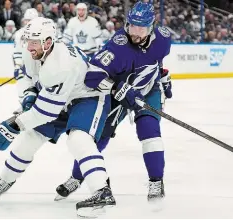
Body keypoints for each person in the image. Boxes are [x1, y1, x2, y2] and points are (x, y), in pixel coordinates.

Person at [0, 17, 116, 218]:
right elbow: (26, 77)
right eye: (27, 41)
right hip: (60, 98)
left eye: (34, 42)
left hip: (87, 97)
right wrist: (28, 94)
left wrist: (13, 126)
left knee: (78, 139)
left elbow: (46, 112)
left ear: (47, 42)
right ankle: (5, 180)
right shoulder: (34, 51)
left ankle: (101, 191)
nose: (29, 47)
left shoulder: (60, 65)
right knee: (30, 138)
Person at [55, 0, 172, 203]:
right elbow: (92, 76)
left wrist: (163, 77)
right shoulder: (118, 45)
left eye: (141, 28)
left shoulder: (163, 37)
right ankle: (77, 176)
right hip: (119, 94)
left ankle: (156, 180)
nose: (134, 32)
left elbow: (157, 60)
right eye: (131, 26)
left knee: (149, 130)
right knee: (98, 137)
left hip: (148, 89)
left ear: (151, 27)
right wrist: (118, 88)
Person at [13, 8, 38, 101]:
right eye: (27, 20)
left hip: (38, 65)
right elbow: (17, 51)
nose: (28, 22)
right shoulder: (19, 34)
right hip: (24, 66)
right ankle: (23, 103)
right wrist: (18, 66)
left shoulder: (42, 32)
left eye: (30, 20)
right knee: (22, 83)